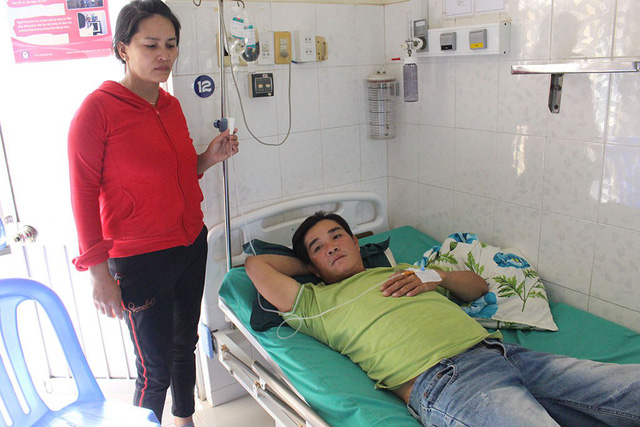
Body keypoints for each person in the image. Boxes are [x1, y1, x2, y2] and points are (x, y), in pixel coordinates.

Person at [245, 211, 640, 427]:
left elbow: (478, 287)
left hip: (504, 355)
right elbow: (254, 265)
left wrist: (436, 277)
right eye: (318, 247)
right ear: (311, 266)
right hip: (448, 382)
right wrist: (309, 267)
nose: (332, 246)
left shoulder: (402, 269)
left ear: (356, 241)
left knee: (628, 389)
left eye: (337, 236)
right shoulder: (316, 302)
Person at [67, 0, 239, 424]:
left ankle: (184, 420)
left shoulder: (170, 105)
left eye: (171, 44)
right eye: (151, 45)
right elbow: (82, 196)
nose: (164, 55)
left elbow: (175, 174)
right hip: (140, 259)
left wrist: (208, 158)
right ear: (123, 48)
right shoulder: (97, 111)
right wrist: (98, 274)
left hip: (190, 243)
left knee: (184, 345)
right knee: (154, 367)